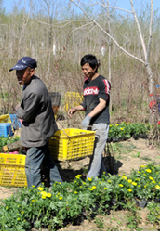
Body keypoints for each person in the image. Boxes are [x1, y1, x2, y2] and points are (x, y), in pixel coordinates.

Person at [10, 56, 62, 188]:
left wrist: (18, 109)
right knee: (47, 161)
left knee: (31, 167)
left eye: (21, 72)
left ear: (31, 71)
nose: (18, 75)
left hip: (36, 135)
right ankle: (59, 188)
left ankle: (36, 197)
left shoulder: (33, 90)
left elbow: (26, 116)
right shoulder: (31, 83)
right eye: (17, 72)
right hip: (41, 131)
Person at [68, 54, 111, 179]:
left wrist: (88, 117)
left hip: (100, 123)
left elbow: (102, 104)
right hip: (90, 123)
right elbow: (86, 104)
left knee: (97, 153)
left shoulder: (103, 82)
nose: (84, 72)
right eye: (83, 69)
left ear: (95, 67)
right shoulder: (86, 83)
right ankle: (104, 176)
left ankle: (91, 181)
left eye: (86, 69)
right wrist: (75, 109)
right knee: (92, 153)